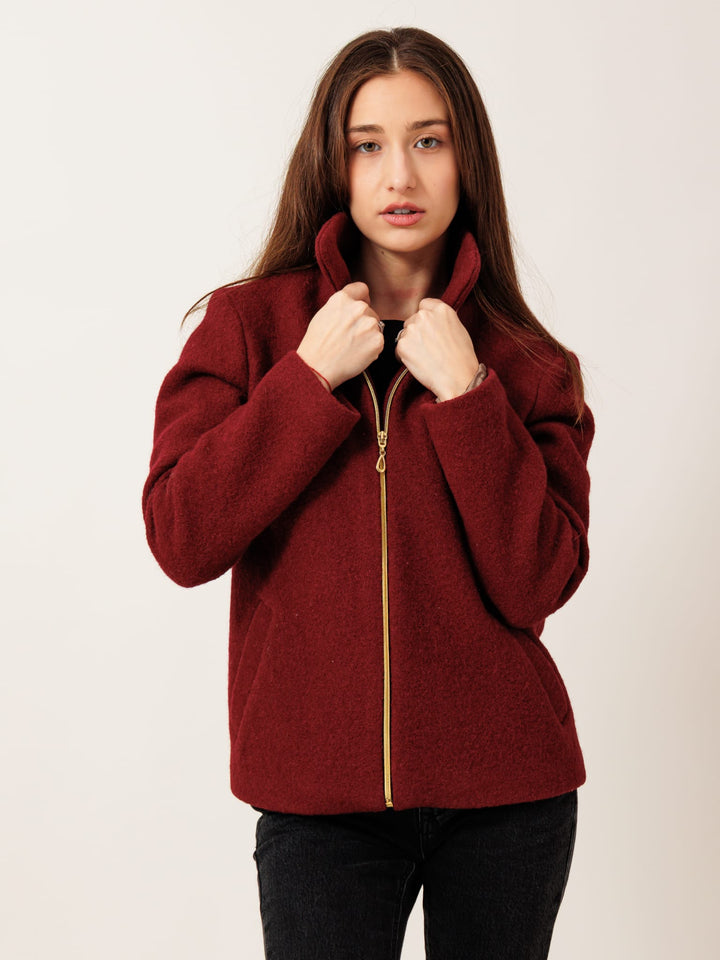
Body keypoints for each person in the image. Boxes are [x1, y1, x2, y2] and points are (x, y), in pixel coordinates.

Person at [142, 26, 594, 960]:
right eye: (369, 144)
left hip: (509, 798)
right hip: (318, 807)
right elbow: (181, 537)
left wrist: (470, 400)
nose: (400, 175)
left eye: (428, 141)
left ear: (466, 157)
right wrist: (306, 384)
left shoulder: (527, 366)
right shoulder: (249, 329)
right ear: (334, 163)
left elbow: (539, 581)